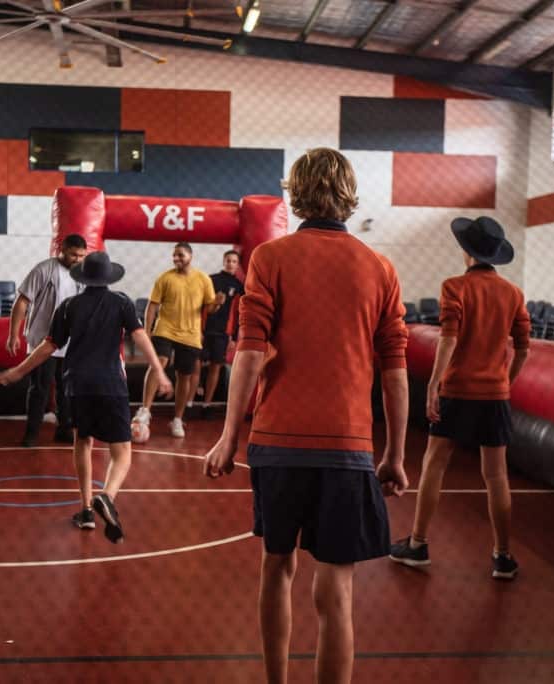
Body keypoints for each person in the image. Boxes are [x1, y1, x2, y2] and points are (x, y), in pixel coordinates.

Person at [203, 148, 410, 684]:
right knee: (336, 588)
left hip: (278, 443)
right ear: (349, 195)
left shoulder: (269, 259)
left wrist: (228, 436)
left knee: (277, 566)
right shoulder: (380, 268)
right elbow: (395, 371)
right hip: (348, 446)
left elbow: (248, 353)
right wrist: (395, 454)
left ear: (295, 195)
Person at [389, 216, 530, 580]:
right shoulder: (513, 294)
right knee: (496, 476)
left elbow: (448, 339)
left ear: (467, 251)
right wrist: (505, 382)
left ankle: (418, 545)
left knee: (434, 464)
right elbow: (523, 349)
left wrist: (434, 384)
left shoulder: (454, 287)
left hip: (457, 390)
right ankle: (503, 556)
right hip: (494, 395)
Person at [0, 252, 173, 542]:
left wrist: (18, 371)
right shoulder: (122, 302)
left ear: (84, 278)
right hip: (111, 382)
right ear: (109, 277)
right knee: (122, 452)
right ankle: (107, 496)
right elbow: (140, 336)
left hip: (77, 384)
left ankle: (86, 510)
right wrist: (159, 370)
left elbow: (48, 346)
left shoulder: (69, 306)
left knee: (83, 442)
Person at [133, 242, 223, 438]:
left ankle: (177, 419)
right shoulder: (165, 278)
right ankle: (145, 410)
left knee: (184, 376)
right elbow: (152, 306)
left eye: (180, 255)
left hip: (190, 335)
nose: (176, 258)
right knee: (160, 362)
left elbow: (209, 308)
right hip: (164, 330)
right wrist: (146, 331)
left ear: (190, 256)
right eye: (174, 255)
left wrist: (217, 304)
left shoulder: (203, 279)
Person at [6, 234, 88, 447]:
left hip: (69, 342)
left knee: (66, 389)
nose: (77, 260)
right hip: (43, 340)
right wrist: (13, 334)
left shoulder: (83, 274)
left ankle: (64, 429)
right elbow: (22, 301)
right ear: (62, 249)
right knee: (39, 388)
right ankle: (32, 433)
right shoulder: (44, 269)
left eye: (81, 256)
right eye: (73, 255)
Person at [196, 249, 245, 418]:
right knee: (195, 364)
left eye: (234, 261)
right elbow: (200, 307)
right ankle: (190, 401)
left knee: (215, 367)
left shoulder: (239, 286)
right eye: (228, 260)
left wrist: (234, 337)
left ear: (238, 265)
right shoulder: (211, 279)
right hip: (204, 330)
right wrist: (198, 329)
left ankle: (206, 405)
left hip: (223, 333)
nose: (230, 264)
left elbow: (239, 314)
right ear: (224, 261)